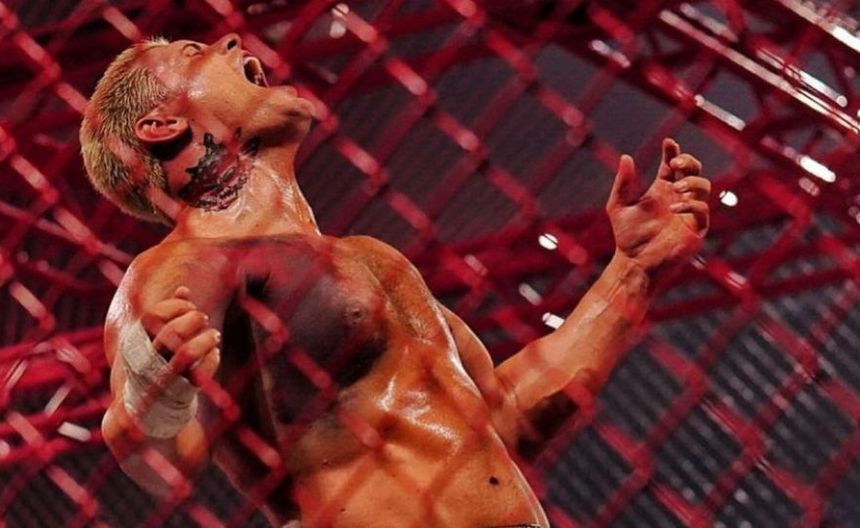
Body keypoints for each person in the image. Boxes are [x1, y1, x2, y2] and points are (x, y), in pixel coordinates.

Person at [80, 34, 710, 528]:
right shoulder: (183, 266)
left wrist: (633, 270)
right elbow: (156, 456)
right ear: (160, 125)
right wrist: (156, 380)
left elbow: (505, 417)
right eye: (195, 53)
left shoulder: (371, 257)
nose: (231, 43)